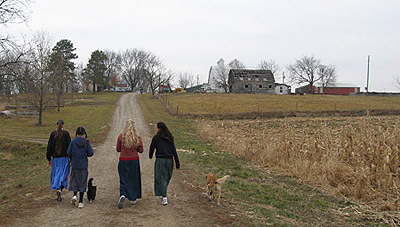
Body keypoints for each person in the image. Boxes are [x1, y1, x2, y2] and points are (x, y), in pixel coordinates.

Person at [149, 122, 180, 205]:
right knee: (166, 178)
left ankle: (164, 196)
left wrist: (150, 155)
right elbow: (174, 150)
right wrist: (177, 163)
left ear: (159, 128)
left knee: (160, 178)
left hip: (161, 160)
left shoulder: (156, 138)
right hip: (170, 160)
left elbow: (152, 147)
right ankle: (163, 193)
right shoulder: (170, 137)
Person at [116, 119, 144, 209]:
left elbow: (118, 149)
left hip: (123, 159)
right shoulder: (137, 137)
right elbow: (141, 150)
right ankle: (132, 198)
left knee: (123, 178)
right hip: (134, 160)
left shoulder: (121, 137)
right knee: (133, 178)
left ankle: (123, 194)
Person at [67, 126, 93, 208]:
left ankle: (74, 195)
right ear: (84, 133)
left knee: (74, 180)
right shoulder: (86, 142)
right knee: (82, 182)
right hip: (83, 165)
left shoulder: (73, 141)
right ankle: (81, 201)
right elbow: (91, 153)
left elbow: (68, 152)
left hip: (75, 164)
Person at [46, 119, 71, 202]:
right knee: (64, 174)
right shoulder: (66, 134)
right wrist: (71, 158)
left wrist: (49, 158)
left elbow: (49, 147)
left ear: (56, 125)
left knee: (56, 174)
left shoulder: (53, 134)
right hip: (64, 158)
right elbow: (69, 147)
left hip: (56, 159)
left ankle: (58, 188)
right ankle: (60, 188)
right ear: (63, 125)